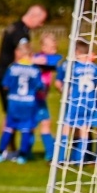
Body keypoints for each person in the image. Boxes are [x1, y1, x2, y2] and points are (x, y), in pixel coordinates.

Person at [0, 40, 41, 164]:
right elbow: (39, 86)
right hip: (28, 102)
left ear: (20, 53)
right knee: (26, 129)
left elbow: (5, 85)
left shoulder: (13, 67)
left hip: (14, 102)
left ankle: (0, 153)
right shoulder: (35, 69)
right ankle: (22, 155)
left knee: (9, 127)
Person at [0, 4, 47, 112]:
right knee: (14, 113)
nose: (41, 24)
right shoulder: (20, 32)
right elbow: (21, 54)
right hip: (9, 75)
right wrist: (35, 60)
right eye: (41, 21)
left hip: (3, 72)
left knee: (11, 113)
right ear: (34, 16)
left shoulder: (16, 27)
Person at [56, 40, 97, 164]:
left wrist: (64, 91)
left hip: (74, 103)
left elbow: (58, 83)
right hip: (89, 104)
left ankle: (60, 158)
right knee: (84, 130)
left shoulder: (69, 65)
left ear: (77, 52)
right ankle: (79, 159)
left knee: (66, 129)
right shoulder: (95, 68)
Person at [32, 32, 62, 161]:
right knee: (43, 123)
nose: (54, 50)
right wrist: (34, 60)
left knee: (40, 124)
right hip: (34, 98)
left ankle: (49, 152)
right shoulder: (38, 58)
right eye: (51, 47)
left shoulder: (50, 59)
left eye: (55, 47)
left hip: (40, 97)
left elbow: (56, 62)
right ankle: (51, 153)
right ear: (43, 47)